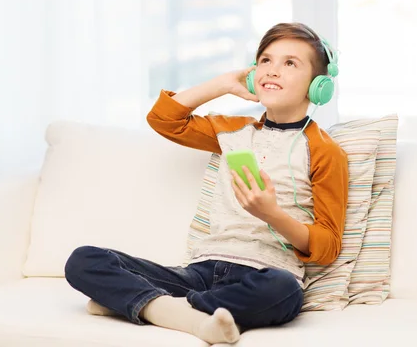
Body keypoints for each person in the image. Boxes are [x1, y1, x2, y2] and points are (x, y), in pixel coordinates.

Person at [64, 22, 349, 344]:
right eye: (265, 61)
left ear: (318, 85)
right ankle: (180, 311)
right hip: (199, 272)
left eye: (290, 63)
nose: (273, 71)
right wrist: (223, 84)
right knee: (84, 259)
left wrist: (272, 215)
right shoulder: (231, 130)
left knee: (283, 293)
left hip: (264, 274)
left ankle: (146, 305)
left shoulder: (326, 151)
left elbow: (327, 247)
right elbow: (163, 119)